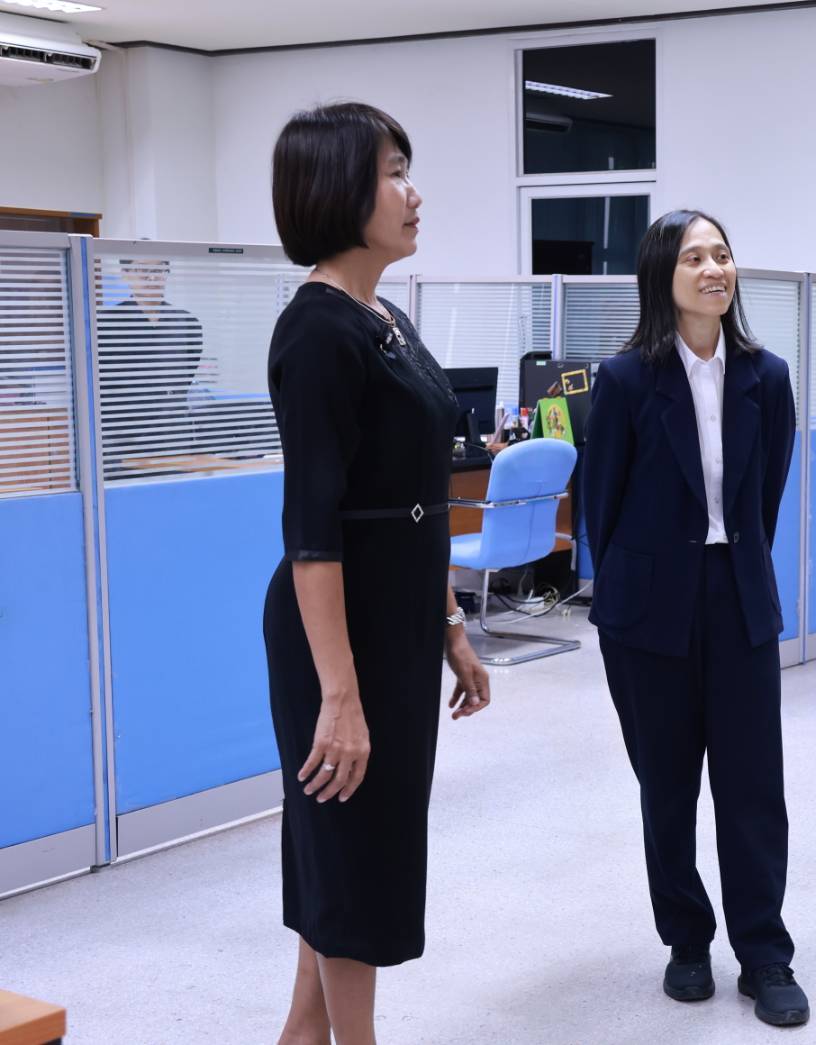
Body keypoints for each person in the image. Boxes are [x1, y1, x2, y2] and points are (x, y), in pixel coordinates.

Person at [262, 102, 491, 1045]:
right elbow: (313, 532)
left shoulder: (382, 315)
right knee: (351, 843)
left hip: (396, 621)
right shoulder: (317, 331)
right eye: (393, 172)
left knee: (355, 843)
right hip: (338, 629)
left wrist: (450, 626)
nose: (413, 192)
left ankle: (300, 1035)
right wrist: (339, 693)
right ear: (336, 190)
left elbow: (413, 500)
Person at [583, 210, 807, 1027]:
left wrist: (729, 561)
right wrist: (634, 591)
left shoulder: (766, 377)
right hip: (648, 609)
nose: (713, 268)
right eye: (694, 257)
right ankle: (685, 939)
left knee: (753, 785)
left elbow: (764, 497)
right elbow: (600, 507)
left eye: (721, 254)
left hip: (736, 593)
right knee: (667, 784)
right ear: (662, 275)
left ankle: (764, 953)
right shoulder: (624, 380)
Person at [96, 257, 204, 474]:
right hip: (124, 440)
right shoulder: (105, 323)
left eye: (158, 269)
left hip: (173, 437)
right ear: (125, 274)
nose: (152, 277)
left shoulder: (186, 322)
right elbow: (104, 385)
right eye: (142, 270)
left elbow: (183, 379)